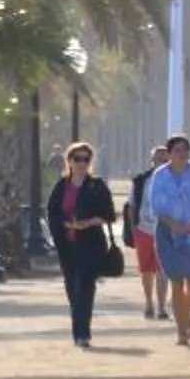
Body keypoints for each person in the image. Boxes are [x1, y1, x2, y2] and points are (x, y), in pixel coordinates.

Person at [46, 142, 118, 347]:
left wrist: (89, 222)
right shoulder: (62, 186)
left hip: (91, 244)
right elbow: (52, 212)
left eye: (86, 159)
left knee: (85, 287)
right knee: (72, 287)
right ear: (69, 161)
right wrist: (65, 224)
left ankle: (83, 333)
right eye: (77, 159)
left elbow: (109, 215)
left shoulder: (97, 185)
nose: (81, 163)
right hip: (67, 245)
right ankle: (78, 328)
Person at [143, 134, 190, 346]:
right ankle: (182, 330)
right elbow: (155, 205)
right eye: (177, 150)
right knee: (175, 280)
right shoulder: (160, 175)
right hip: (168, 233)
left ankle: (185, 314)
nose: (182, 154)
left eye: (185, 150)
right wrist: (174, 224)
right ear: (170, 153)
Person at [126, 155, 164, 319]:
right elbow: (131, 205)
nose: (161, 161)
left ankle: (162, 307)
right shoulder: (141, 180)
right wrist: (134, 228)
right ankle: (149, 302)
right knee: (146, 270)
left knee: (163, 270)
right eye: (158, 158)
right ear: (152, 161)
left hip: (164, 231)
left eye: (165, 158)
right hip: (144, 230)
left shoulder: (174, 180)